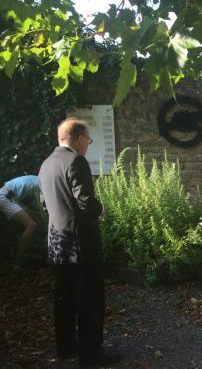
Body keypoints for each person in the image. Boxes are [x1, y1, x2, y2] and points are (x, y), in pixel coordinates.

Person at [38, 118, 121, 366]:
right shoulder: (76, 161)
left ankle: (65, 347)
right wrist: (101, 209)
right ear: (77, 138)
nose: (88, 144)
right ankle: (91, 353)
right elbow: (85, 201)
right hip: (81, 246)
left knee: (63, 298)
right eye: (88, 139)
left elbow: (44, 204)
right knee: (90, 299)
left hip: (57, 244)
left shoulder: (46, 164)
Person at [0, 175, 40, 263]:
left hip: (10, 197)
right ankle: (19, 263)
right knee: (32, 225)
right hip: (4, 197)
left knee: (34, 217)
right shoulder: (43, 184)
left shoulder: (35, 178)